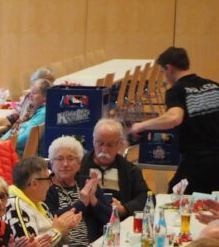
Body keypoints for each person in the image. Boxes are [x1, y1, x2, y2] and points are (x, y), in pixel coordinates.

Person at [131, 47, 219, 193]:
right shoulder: (214, 87)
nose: (164, 76)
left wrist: (141, 125)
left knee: (175, 197)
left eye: (163, 72)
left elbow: (174, 117)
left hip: (197, 161)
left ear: (169, 68)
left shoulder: (177, 91)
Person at [6, 156, 81, 247]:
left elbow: (56, 241)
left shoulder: (40, 204)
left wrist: (65, 227)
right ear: (34, 184)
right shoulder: (15, 206)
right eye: (48, 179)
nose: (51, 184)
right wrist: (57, 230)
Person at [47, 135, 109, 247]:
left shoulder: (86, 183)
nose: (65, 164)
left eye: (71, 159)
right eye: (59, 159)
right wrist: (81, 203)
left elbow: (110, 219)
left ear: (79, 163)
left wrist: (93, 201)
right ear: (51, 163)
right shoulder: (46, 187)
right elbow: (50, 219)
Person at [81, 119, 149, 219]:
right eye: (100, 143)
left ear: (120, 144)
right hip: (86, 221)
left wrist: (125, 209)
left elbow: (145, 197)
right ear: (93, 141)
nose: (104, 149)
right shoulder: (79, 166)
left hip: (117, 221)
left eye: (109, 145)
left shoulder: (129, 170)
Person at [12, 79, 50, 155]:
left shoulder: (43, 113)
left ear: (45, 97)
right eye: (30, 92)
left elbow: (25, 138)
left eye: (34, 93)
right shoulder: (35, 110)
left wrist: (4, 143)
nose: (30, 95)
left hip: (19, 154)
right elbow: (15, 129)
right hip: (15, 149)